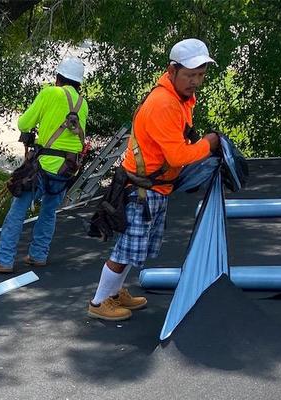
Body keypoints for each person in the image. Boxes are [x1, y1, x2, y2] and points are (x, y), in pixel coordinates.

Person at [86, 39, 221, 321]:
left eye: (201, 74)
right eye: (190, 74)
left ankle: (114, 293)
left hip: (151, 186)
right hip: (141, 190)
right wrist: (209, 144)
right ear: (172, 70)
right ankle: (99, 302)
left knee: (135, 247)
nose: (196, 81)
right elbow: (177, 156)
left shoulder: (179, 98)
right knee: (125, 249)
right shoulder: (165, 104)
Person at [0, 57, 89, 273]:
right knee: (49, 212)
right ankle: (38, 255)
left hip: (43, 167)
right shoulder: (83, 104)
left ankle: (4, 260)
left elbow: (24, 123)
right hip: (66, 169)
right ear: (78, 83)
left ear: (58, 78)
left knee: (17, 211)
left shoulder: (50, 93)